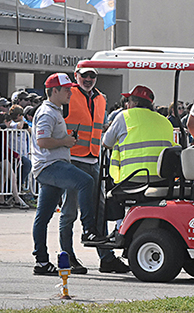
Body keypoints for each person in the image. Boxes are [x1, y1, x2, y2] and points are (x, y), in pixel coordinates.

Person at [30, 72, 105, 276]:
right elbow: (43, 142)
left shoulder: (55, 110)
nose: (70, 93)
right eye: (65, 90)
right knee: (85, 181)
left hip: (51, 165)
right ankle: (89, 228)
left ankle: (42, 261)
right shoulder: (48, 112)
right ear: (54, 91)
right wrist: (65, 142)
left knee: (43, 216)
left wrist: (65, 141)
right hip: (50, 165)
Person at [62, 66, 129, 274]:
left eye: (92, 76)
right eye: (85, 76)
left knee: (99, 210)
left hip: (93, 158)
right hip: (72, 158)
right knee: (70, 211)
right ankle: (67, 256)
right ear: (76, 76)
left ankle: (106, 258)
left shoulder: (101, 98)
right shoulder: (68, 94)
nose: (89, 79)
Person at [102, 84, 175, 186]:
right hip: (161, 180)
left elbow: (106, 143)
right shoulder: (165, 121)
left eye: (129, 101)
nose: (127, 104)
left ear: (135, 102)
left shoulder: (124, 116)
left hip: (131, 179)